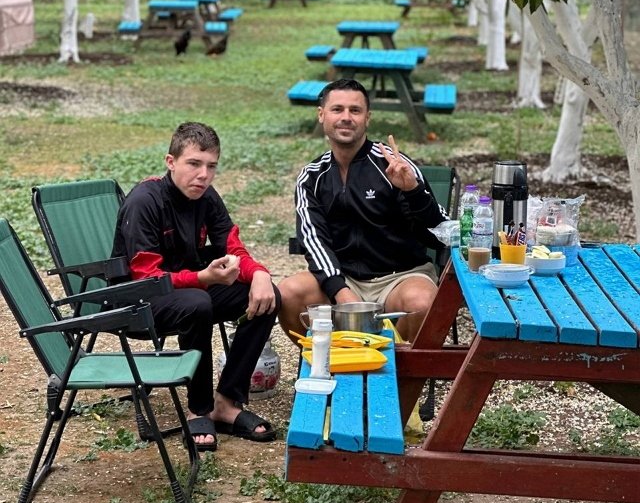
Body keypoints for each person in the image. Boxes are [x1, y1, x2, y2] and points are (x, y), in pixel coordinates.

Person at [112, 122, 279, 451]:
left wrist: (260, 274)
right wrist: (203, 278)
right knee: (197, 302)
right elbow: (146, 279)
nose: (203, 175)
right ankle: (197, 409)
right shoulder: (145, 201)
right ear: (170, 162)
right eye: (193, 164)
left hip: (190, 291)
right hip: (138, 303)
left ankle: (227, 403)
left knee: (270, 296)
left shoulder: (207, 197)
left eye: (211, 166)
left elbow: (233, 249)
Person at [278, 78, 449, 342]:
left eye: (355, 111)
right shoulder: (312, 177)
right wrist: (341, 291)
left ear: (367, 118)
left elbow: (440, 233)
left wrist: (413, 191)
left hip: (401, 277)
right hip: (342, 277)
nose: (346, 117)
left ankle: (401, 382)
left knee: (422, 304)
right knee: (288, 293)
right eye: (337, 109)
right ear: (321, 115)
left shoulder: (395, 165)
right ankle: (327, 368)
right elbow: (314, 242)